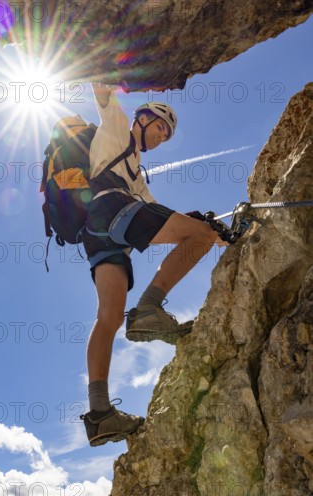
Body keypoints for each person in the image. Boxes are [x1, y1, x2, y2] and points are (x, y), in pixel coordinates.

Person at [80, 83, 225, 447]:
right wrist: (206, 233)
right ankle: (147, 310)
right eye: (161, 126)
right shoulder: (115, 127)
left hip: (100, 234)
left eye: (168, 132)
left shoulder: (138, 176)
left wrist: (205, 228)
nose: (164, 135)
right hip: (112, 209)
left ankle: (100, 414)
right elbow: (101, 86)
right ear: (142, 118)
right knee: (200, 236)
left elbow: (159, 213)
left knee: (109, 318)